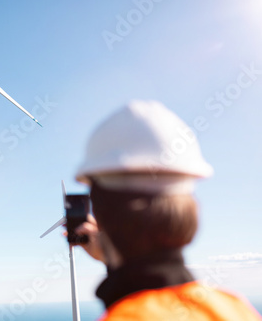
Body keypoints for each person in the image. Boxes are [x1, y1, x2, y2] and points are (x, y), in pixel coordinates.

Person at [72, 100, 261, 320]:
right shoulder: (235, 309)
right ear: (188, 206)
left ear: (97, 208)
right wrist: (113, 256)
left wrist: (117, 255)